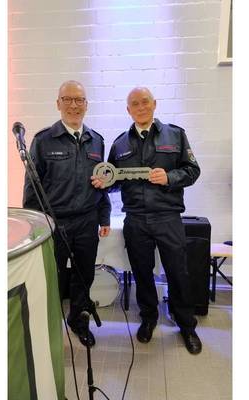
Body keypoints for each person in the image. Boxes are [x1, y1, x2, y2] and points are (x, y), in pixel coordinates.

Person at [92, 87, 202, 354]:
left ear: (154, 104)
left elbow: (192, 171)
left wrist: (170, 177)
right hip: (136, 219)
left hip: (168, 217)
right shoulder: (119, 144)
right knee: (142, 273)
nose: (140, 107)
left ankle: (186, 325)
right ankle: (149, 318)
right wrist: (104, 183)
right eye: (134, 104)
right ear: (128, 110)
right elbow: (114, 180)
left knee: (178, 272)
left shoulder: (175, 135)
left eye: (145, 102)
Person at [23, 80, 111, 347]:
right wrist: (33, 225)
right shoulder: (43, 141)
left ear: (86, 105)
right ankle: (48, 322)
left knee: (84, 274)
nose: (74, 105)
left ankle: (78, 319)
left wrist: (104, 216)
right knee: (54, 275)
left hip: (86, 221)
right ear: (58, 103)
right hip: (55, 222)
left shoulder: (96, 140)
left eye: (79, 100)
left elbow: (102, 182)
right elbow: (32, 187)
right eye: (68, 99)